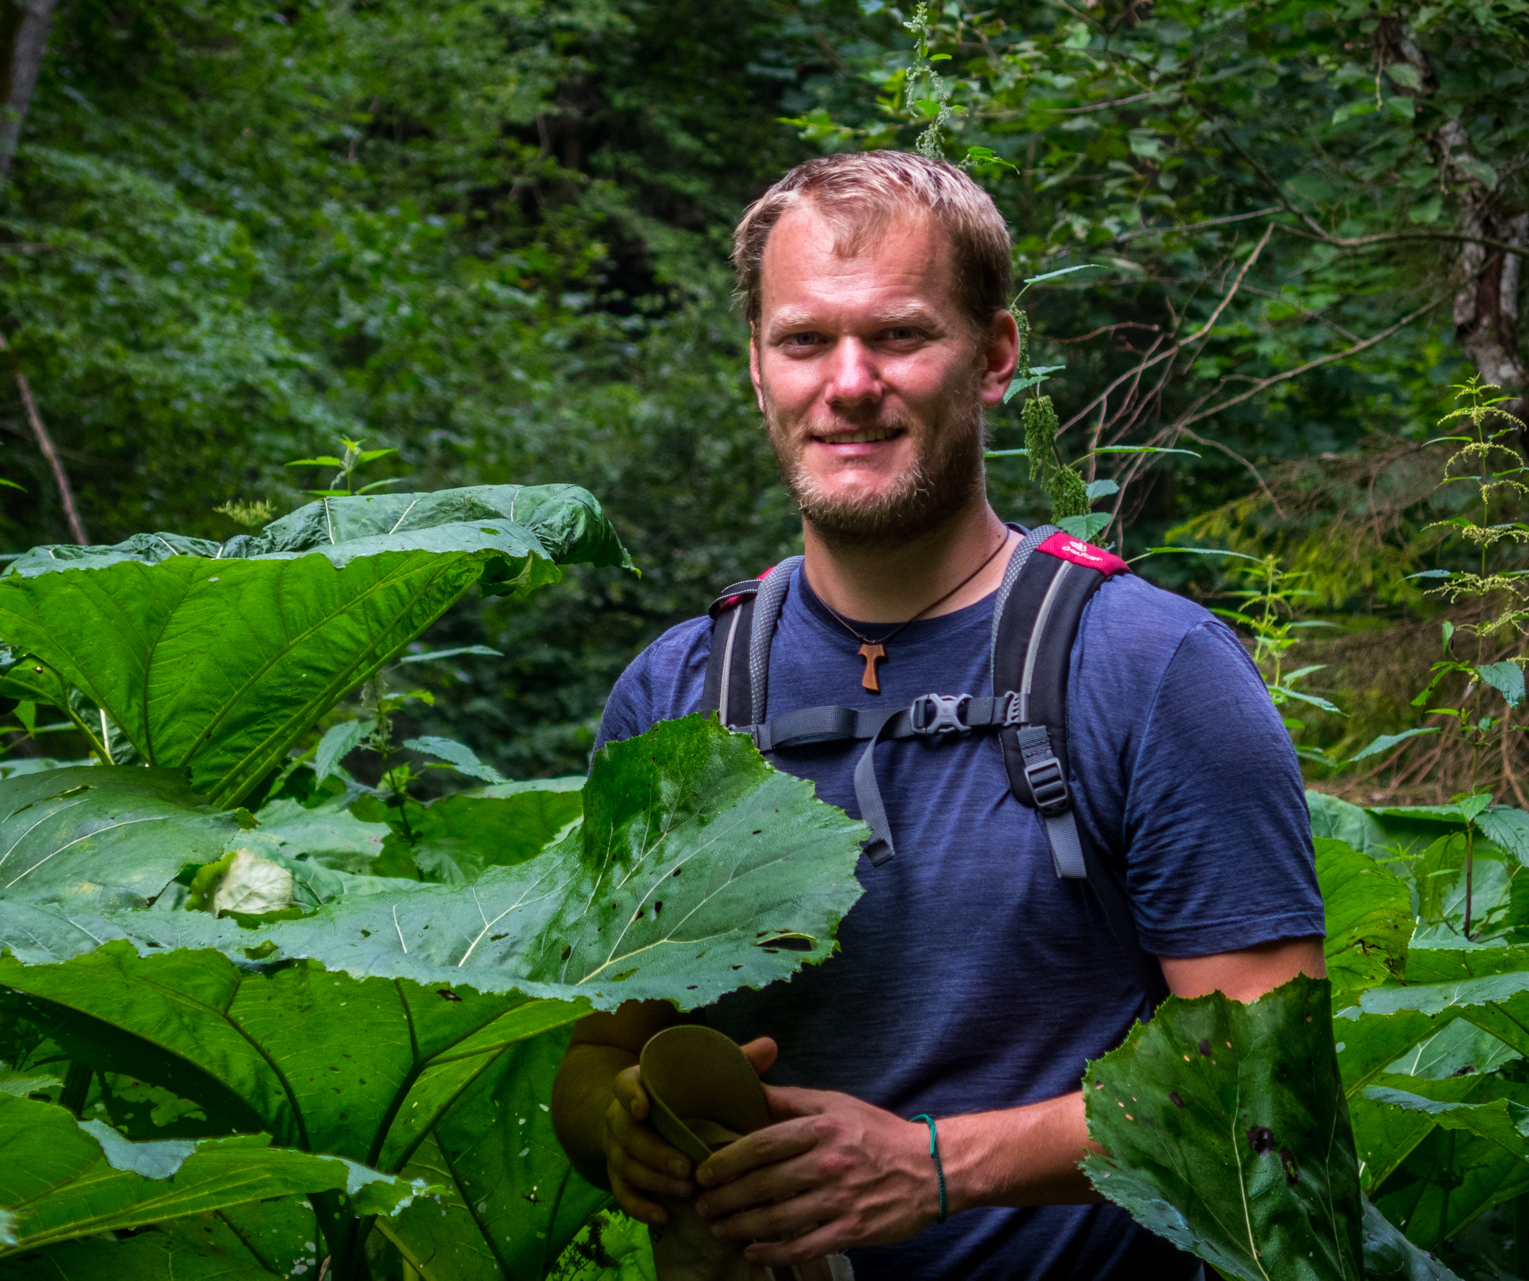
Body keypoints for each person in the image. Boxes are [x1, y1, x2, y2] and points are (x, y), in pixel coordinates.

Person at [548, 151, 1327, 1280]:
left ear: (994, 356)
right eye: (805, 340)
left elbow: (1277, 1097)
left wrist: (939, 1166)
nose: (849, 381)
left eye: (900, 336)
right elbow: (595, 1055)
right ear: (758, 372)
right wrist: (618, 1124)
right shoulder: (678, 697)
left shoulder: (1155, 671)